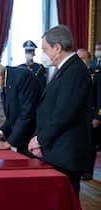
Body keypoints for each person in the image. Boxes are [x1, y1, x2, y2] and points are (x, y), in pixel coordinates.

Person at [28, 25, 92, 196]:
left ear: (57, 47)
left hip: (67, 152)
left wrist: (39, 139)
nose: (44, 54)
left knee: (67, 200)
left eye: (45, 49)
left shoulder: (75, 71)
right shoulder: (65, 68)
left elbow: (64, 113)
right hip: (57, 148)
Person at [0, 57, 41, 153]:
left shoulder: (23, 78)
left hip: (33, 139)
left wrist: (8, 143)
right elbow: (12, 117)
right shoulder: (4, 81)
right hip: (21, 138)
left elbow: (26, 115)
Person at [77, 48, 101, 180]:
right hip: (79, 117)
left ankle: (88, 172)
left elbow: (100, 98)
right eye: (78, 58)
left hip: (91, 117)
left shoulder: (96, 74)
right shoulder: (76, 75)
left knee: (90, 145)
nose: (80, 61)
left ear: (89, 60)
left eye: (83, 58)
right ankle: (80, 169)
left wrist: (98, 116)